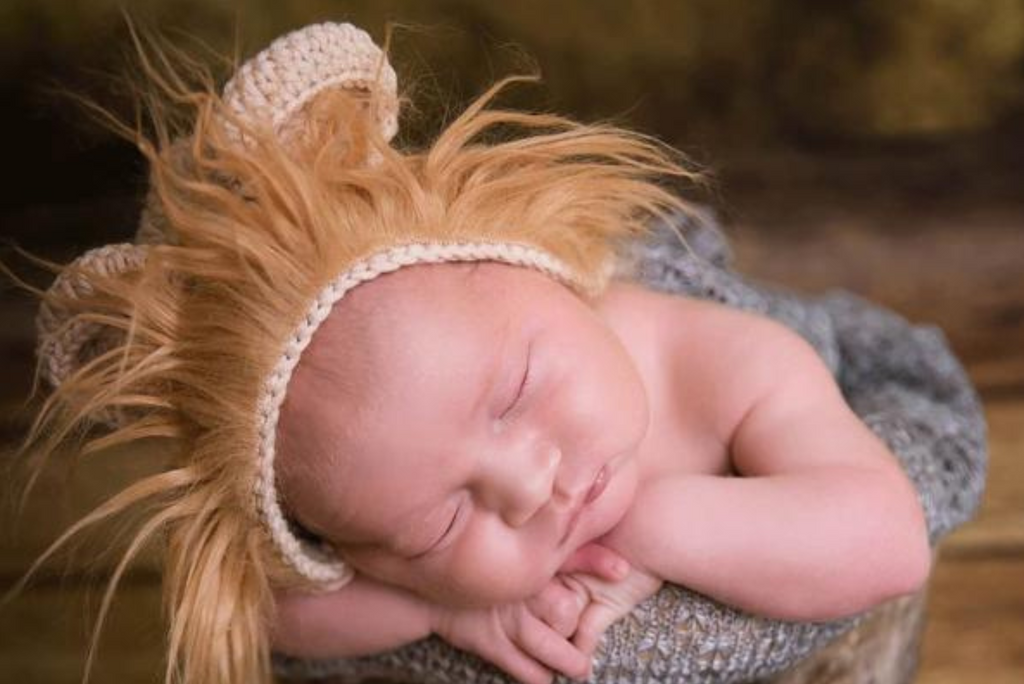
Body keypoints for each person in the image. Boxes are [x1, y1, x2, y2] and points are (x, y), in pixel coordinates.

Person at [5, 21, 930, 684]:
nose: (527, 489)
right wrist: (444, 608)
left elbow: (888, 538)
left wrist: (657, 522)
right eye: (441, 525)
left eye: (517, 390)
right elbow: (268, 610)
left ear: (545, 273)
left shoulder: (718, 361)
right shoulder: (368, 477)